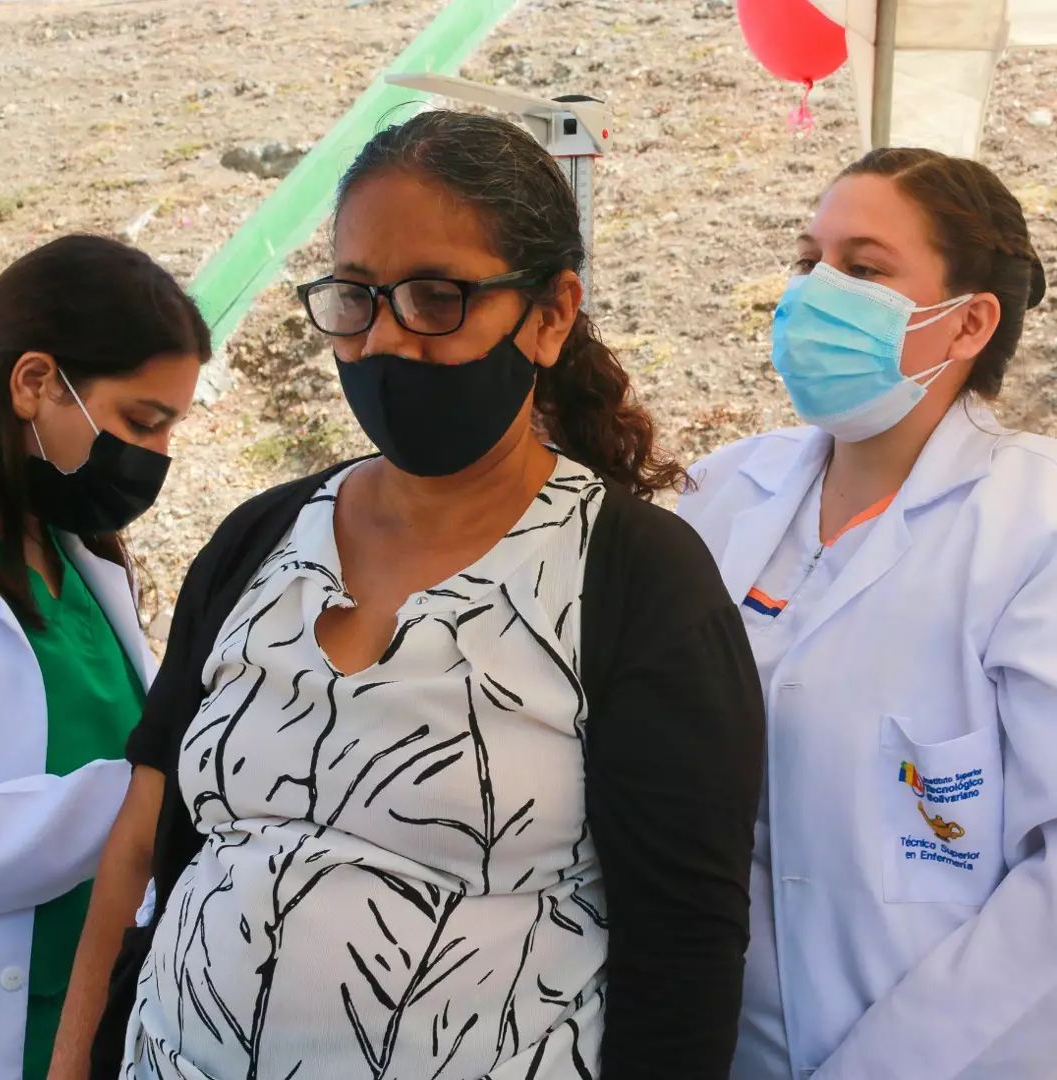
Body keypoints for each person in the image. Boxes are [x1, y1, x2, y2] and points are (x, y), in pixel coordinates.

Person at [60, 110, 765, 1080]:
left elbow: (683, 964)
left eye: (438, 297)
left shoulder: (637, 583)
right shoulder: (258, 544)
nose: (387, 339)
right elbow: (142, 842)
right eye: (356, 296)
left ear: (551, 314)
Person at [677, 147, 1056, 1078]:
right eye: (811, 260)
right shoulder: (725, 492)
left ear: (967, 323)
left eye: (864, 268)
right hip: (701, 1042)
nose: (814, 293)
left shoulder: (1033, 528)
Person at [0, 234, 209, 1080]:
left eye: (169, 428)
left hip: (91, 1028)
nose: (151, 457)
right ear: (35, 382)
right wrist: (144, 794)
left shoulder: (81, 554)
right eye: (140, 422)